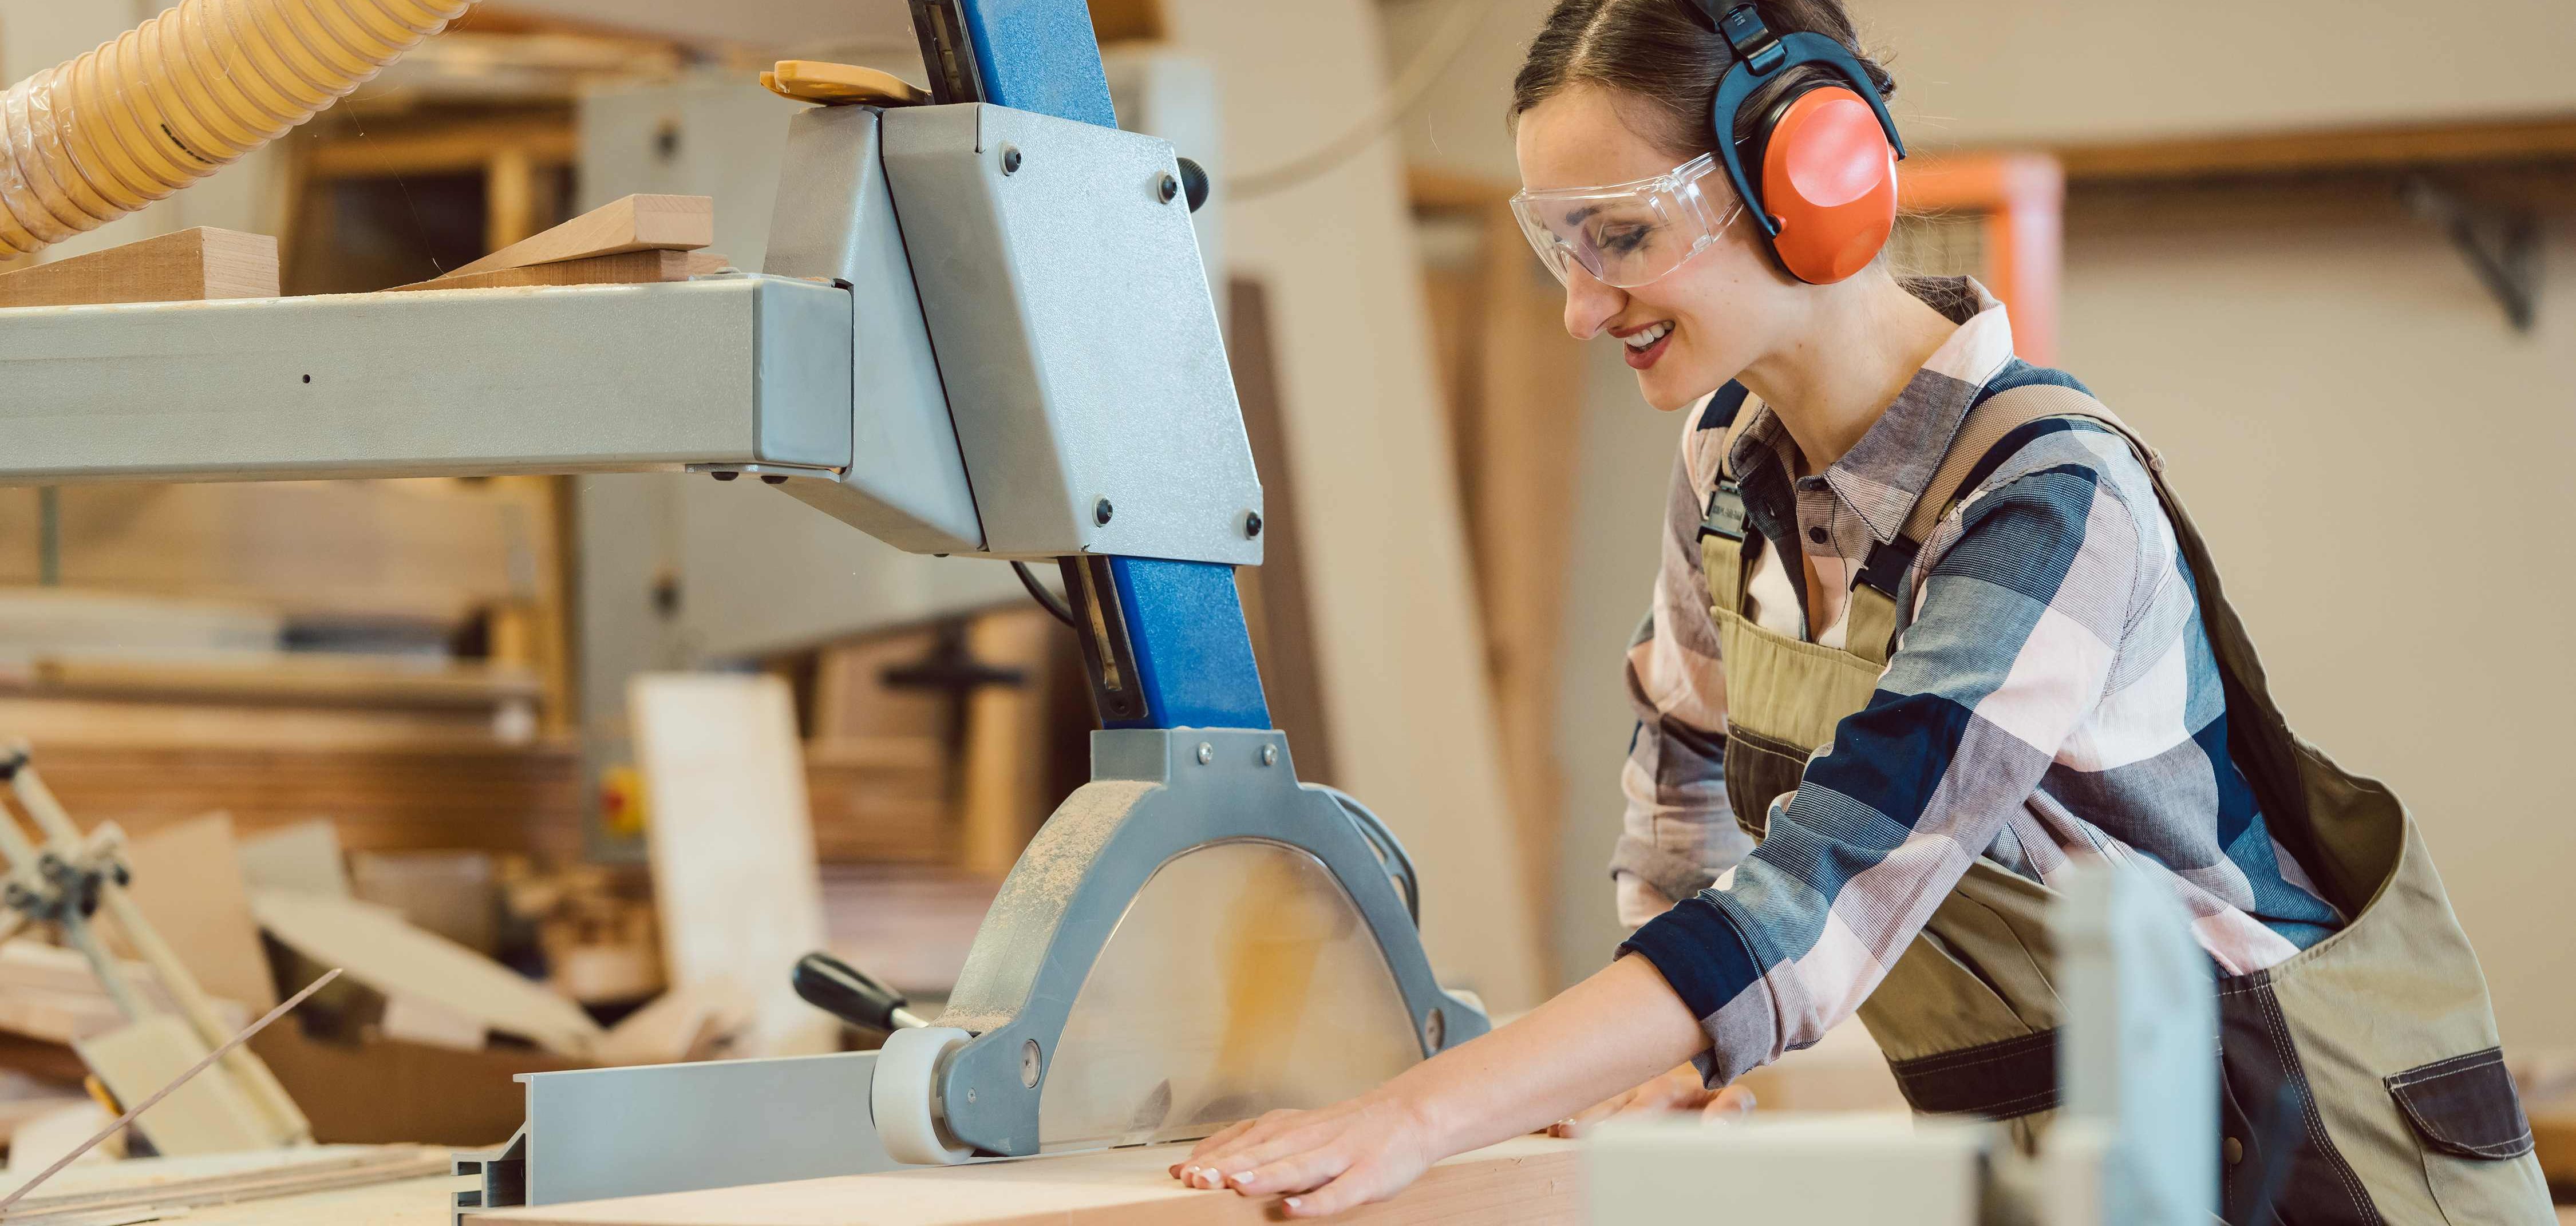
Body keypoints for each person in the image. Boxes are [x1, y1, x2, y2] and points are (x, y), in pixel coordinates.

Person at [1169, 1, 2553, 1221]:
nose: (1583, 310)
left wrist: (1418, 1111)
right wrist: (1668, 1065)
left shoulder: (2050, 505)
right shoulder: (1730, 462)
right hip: (2055, 1146)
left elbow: (1826, 892)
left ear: (1810, 183)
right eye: (1560, 249)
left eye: (1625, 238)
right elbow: (1681, 785)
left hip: (2301, 1157)